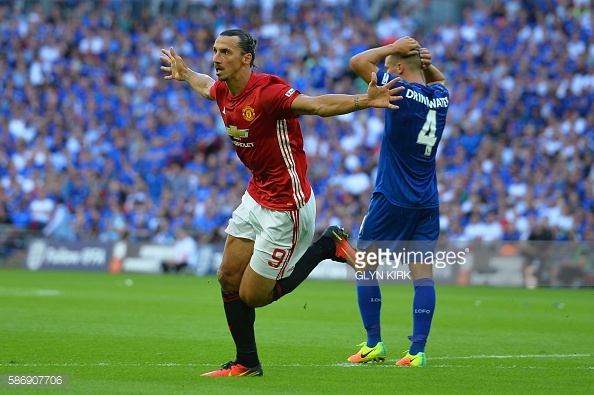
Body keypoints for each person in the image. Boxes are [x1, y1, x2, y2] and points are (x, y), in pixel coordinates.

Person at [160, 28, 403, 377]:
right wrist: (185, 75)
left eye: (225, 52)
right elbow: (203, 87)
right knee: (227, 277)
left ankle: (327, 246)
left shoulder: (269, 93)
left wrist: (365, 100)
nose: (216, 58)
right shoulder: (224, 90)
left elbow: (317, 105)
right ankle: (247, 363)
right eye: (214, 50)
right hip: (256, 193)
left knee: (254, 296)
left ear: (246, 59)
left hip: (286, 206)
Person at [346, 36, 449, 367]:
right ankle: (417, 351)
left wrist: (392, 50)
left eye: (389, 67)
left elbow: (358, 62)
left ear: (399, 68)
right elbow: (440, 79)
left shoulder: (400, 88)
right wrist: (425, 61)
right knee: (422, 276)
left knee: (365, 267)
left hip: (392, 196)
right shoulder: (441, 96)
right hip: (426, 200)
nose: (383, 71)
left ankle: (374, 343)